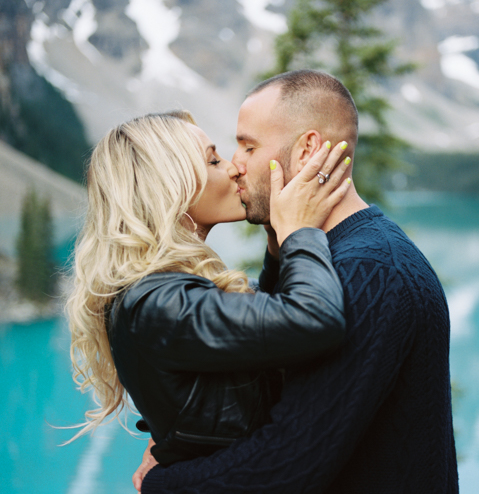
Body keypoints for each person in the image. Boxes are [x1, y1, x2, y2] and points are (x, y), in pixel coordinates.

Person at [134, 70, 459, 493]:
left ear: (306, 151)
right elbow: (267, 384)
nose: (236, 164)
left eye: (248, 146)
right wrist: (280, 238)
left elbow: (288, 465)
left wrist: (162, 482)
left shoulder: (370, 271)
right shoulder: (339, 258)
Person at [65, 110, 354, 465]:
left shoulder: (158, 292)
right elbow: (312, 318)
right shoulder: (160, 303)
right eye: (213, 160)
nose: (233, 168)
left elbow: (262, 332)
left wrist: (278, 246)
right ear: (171, 185)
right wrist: (299, 231)